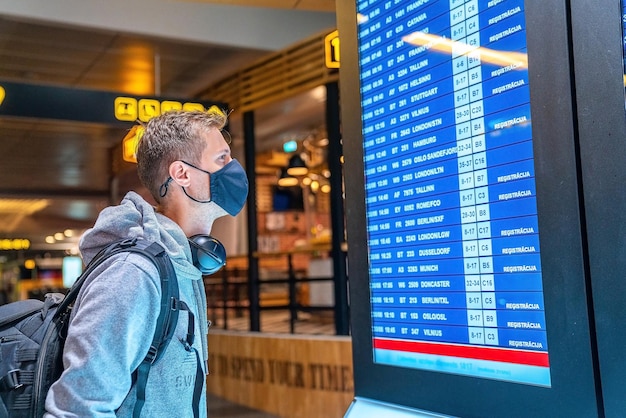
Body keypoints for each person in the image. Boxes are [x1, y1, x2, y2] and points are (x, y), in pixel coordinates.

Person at [44, 109, 248, 417]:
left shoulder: (182, 264)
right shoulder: (133, 274)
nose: (234, 169)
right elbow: (78, 409)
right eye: (222, 159)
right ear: (182, 174)